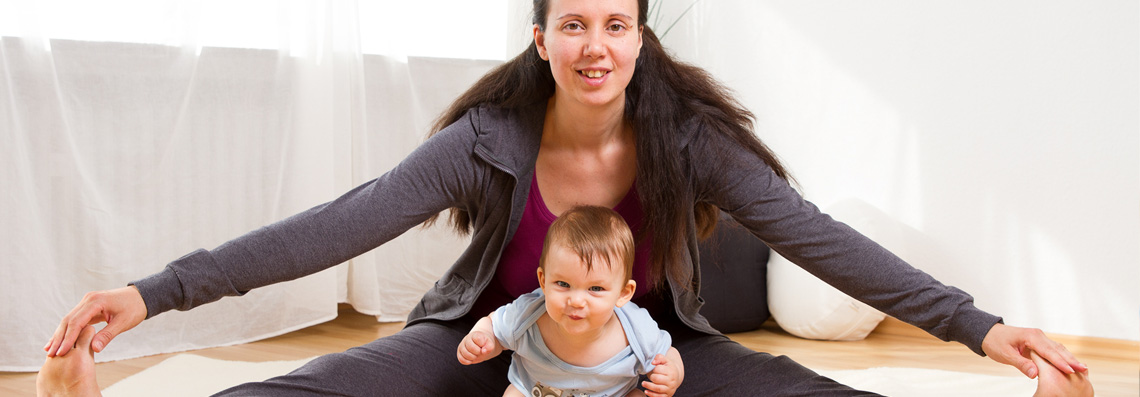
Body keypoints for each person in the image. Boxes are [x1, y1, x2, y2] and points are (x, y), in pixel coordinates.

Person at [38, 0, 1092, 395]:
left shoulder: (690, 143)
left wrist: (982, 329)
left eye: (616, 25)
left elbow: (818, 239)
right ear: (541, 40)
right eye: (573, 24)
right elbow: (335, 226)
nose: (595, 46)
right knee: (312, 390)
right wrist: (154, 293)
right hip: (485, 339)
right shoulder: (484, 142)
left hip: (656, 348)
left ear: (641, 39)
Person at [457, 205, 683, 397]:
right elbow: (494, 327)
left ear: (623, 293)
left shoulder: (635, 330)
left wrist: (671, 373)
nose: (576, 301)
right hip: (534, 391)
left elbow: (667, 354)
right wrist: (482, 339)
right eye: (563, 284)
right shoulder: (528, 315)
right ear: (543, 281)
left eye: (595, 288)